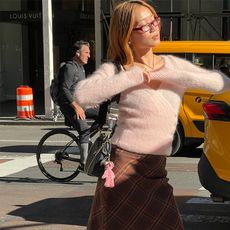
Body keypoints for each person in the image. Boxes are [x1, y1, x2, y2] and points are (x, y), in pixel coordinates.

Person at [73, 1, 230, 229]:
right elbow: (84, 95)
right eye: (145, 26)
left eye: (155, 21)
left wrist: (185, 76)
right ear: (127, 35)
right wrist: (133, 76)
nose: (155, 28)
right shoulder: (119, 69)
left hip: (155, 168)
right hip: (124, 167)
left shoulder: (171, 65)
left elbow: (221, 83)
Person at [57, 40, 98, 171]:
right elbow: (64, 89)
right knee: (84, 128)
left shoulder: (81, 68)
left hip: (79, 103)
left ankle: (86, 140)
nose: (89, 55)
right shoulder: (70, 67)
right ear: (77, 53)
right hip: (68, 105)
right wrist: (76, 106)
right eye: (86, 52)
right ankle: (84, 163)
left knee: (103, 115)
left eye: (89, 53)